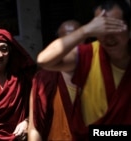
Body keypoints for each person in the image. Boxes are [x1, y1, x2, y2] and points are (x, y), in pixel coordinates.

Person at [36, 0, 130, 140]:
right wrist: (85, 30)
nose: (109, 37)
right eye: (103, 29)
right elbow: (44, 60)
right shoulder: (89, 54)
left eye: (114, 27)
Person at [27, 20, 82, 141]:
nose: (71, 47)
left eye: (76, 40)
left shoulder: (100, 73)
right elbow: (34, 128)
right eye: (66, 42)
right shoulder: (44, 79)